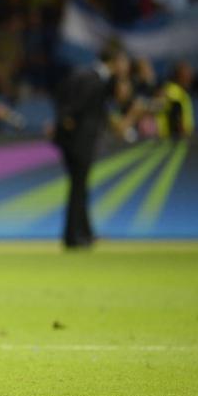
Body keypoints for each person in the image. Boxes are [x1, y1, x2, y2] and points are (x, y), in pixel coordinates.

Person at [53, 48, 129, 249]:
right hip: (79, 141)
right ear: (114, 60)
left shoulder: (87, 75)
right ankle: (73, 238)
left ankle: (84, 233)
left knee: (80, 188)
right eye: (122, 62)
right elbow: (74, 108)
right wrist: (66, 124)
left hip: (76, 140)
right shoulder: (92, 79)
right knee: (78, 189)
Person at [156, 61, 194, 138]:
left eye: (189, 75)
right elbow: (176, 117)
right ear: (178, 75)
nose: (189, 78)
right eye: (186, 75)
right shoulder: (173, 91)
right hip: (173, 139)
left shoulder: (181, 92)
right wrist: (183, 135)